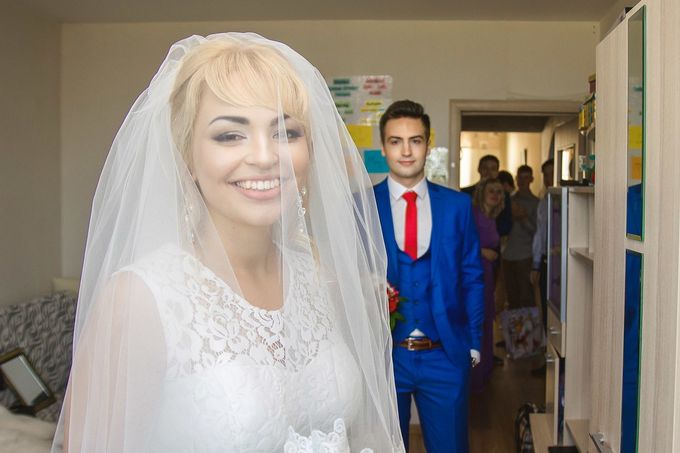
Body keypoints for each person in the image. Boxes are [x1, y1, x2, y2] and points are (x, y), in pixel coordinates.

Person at [52, 33, 404, 453]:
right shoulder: (139, 299)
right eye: (230, 135)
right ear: (187, 155)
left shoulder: (313, 275)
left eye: (286, 132)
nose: (264, 156)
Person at [373, 100, 484, 452]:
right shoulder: (362, 205)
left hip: (445, 354)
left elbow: (472, 277)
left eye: (415, 141)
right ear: (383, 147)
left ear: (428, 145)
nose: (406, 151)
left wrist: (474, 342)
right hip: (384, 357)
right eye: (395, 141)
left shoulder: (457, 206)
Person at [470, 178, 505, 393]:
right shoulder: (473, 214)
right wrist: (483, 252)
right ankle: (473, 379)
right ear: (482, 192)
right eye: (491, 190)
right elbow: (460, 244)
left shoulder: (493, 218)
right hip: (474, 274)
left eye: (499, 191)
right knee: (476, 323)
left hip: (488, 275)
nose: (495, 194)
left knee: (486, 324)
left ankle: (484, 373)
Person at [502, 165, 539, 309]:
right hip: (507, 255)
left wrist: (523, 218)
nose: (522, 181)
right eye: (520, 178)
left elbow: (538, 232)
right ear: (516, 179)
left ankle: (528, 325)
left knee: (526, 297)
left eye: (526, 177)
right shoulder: (507, 201)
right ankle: (512, 324)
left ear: (531, 179)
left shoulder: (536, 203)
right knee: (511, 298)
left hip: (525, 256)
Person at [462, 155, 512, 237]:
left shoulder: (504, 195)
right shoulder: (465, 193)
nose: (489, 173)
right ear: (479, 169)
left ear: (497, 172)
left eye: (493, 169)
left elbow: (505, 224)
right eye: (485, 168)